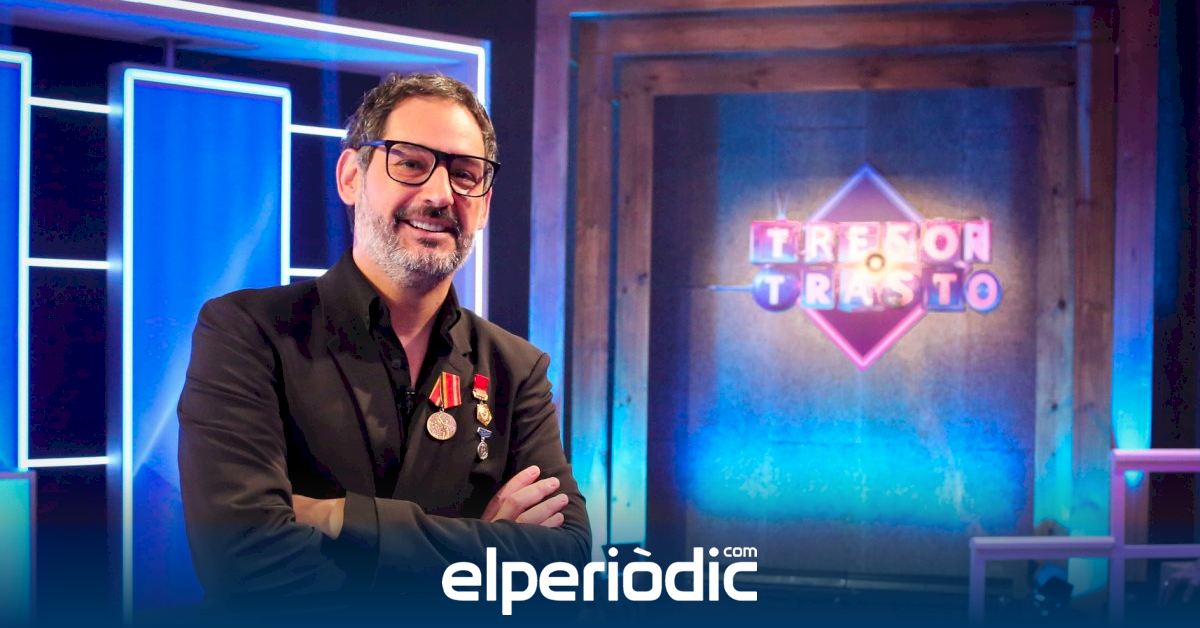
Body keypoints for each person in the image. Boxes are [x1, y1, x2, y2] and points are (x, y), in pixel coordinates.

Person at [176, 73, 590, 612]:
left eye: (465, 174)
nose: (440, 195)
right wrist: (481, 558)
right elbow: (244, 562)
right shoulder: (248, 332)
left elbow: (564, 564)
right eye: (411, 163)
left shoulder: (515, 369)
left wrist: (337, 516)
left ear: (485, 205)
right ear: (352, 177)